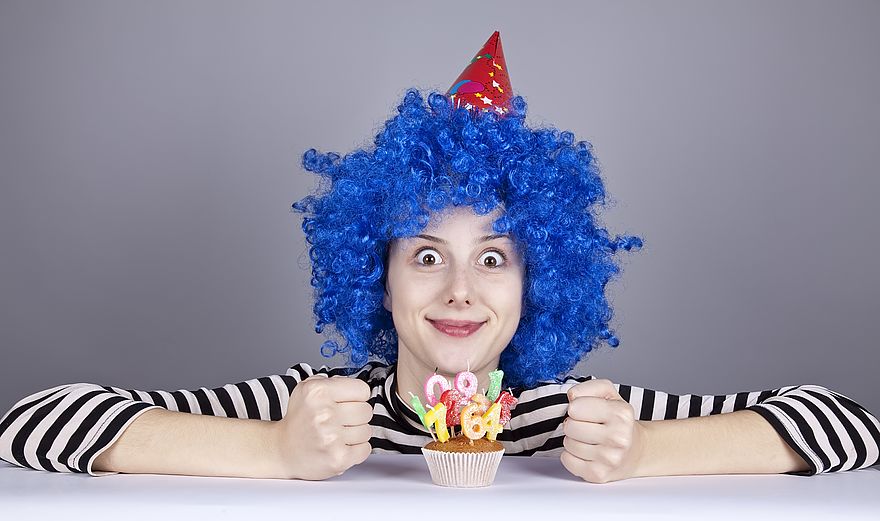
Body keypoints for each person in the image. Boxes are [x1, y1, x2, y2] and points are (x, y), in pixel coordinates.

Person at [1, 33, 878, 484]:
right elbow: (30, 423)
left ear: (537, 283)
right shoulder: (314, 407)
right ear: (378, 276)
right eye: (427, 254)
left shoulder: (568, 418)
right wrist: (274, 452)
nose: (460, 290)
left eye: (494, 259)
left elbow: (851, 426)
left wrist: (645, 455)